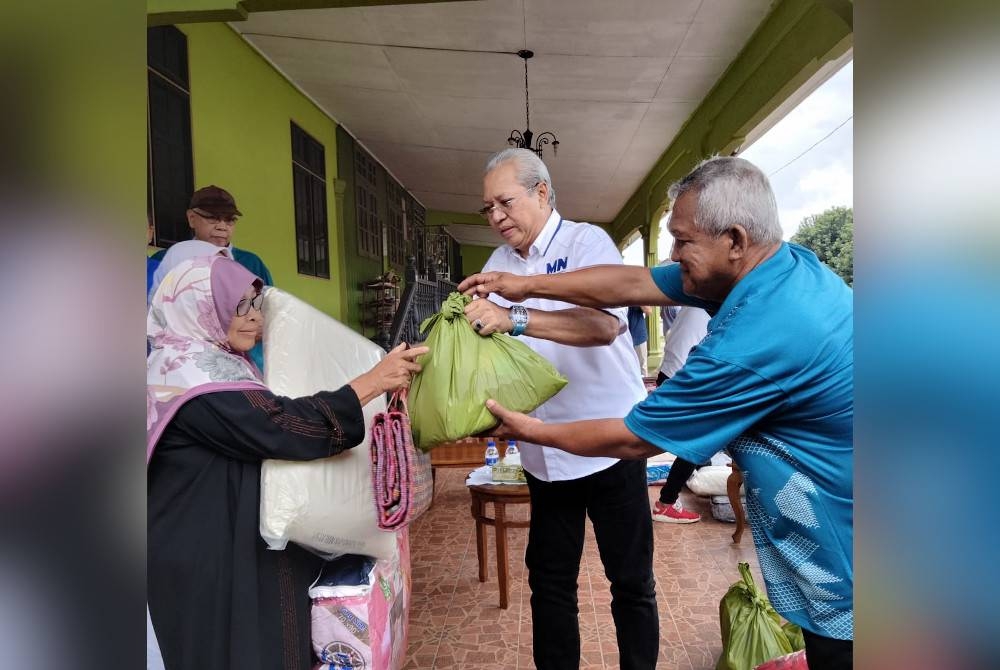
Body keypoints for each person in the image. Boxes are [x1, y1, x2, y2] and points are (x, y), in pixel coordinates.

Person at [459, 156, 853, 670]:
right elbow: (632, 283)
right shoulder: (783, 267)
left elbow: (634, 437)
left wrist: (532, 428)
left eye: (683, 241)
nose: (674, 254)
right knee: (550, 578)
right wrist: (526, 286)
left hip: (849, 554)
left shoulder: (754, 340)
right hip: (837, 522)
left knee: (633, 580)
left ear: (735, 241)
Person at [146, 254, 427, 670]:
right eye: (236, 305)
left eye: (256, 304)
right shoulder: (190, 379)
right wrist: (372, 381)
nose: (253, 318)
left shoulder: (211, 364)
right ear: (197, 307)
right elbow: (281, 426)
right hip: (207, 556)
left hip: (227, 541)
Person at [462, 148, 659, 670]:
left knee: (631, 581)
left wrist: (516, 317)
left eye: (505, 202)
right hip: (544, 450)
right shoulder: (497, 264)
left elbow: (603, 327)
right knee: (550, 583)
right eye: (488, 208)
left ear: (542, 192)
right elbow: (487, 347)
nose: (496, 216)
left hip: (610, 443)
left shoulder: (586, 242)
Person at [150, 185, 272, 370]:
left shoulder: (251, 263)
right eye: (213, 218)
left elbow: (268, 312)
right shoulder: (165, 262)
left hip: (246, 366)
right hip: (180, 365)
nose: (222, 226)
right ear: (192, 218)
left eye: (229, 220)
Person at [651, 306, 711, 524]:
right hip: (683, 377)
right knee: (695, 443)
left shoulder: (696, 304)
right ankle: (666, 504)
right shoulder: (719, 308)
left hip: (671, 372)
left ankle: (701, 474)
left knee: (696, 438)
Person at [626, 304, 651, 375]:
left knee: (642, 366)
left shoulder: (638, 295)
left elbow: (648, 311)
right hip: (624, 336)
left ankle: (644, 385)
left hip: (639, 336)